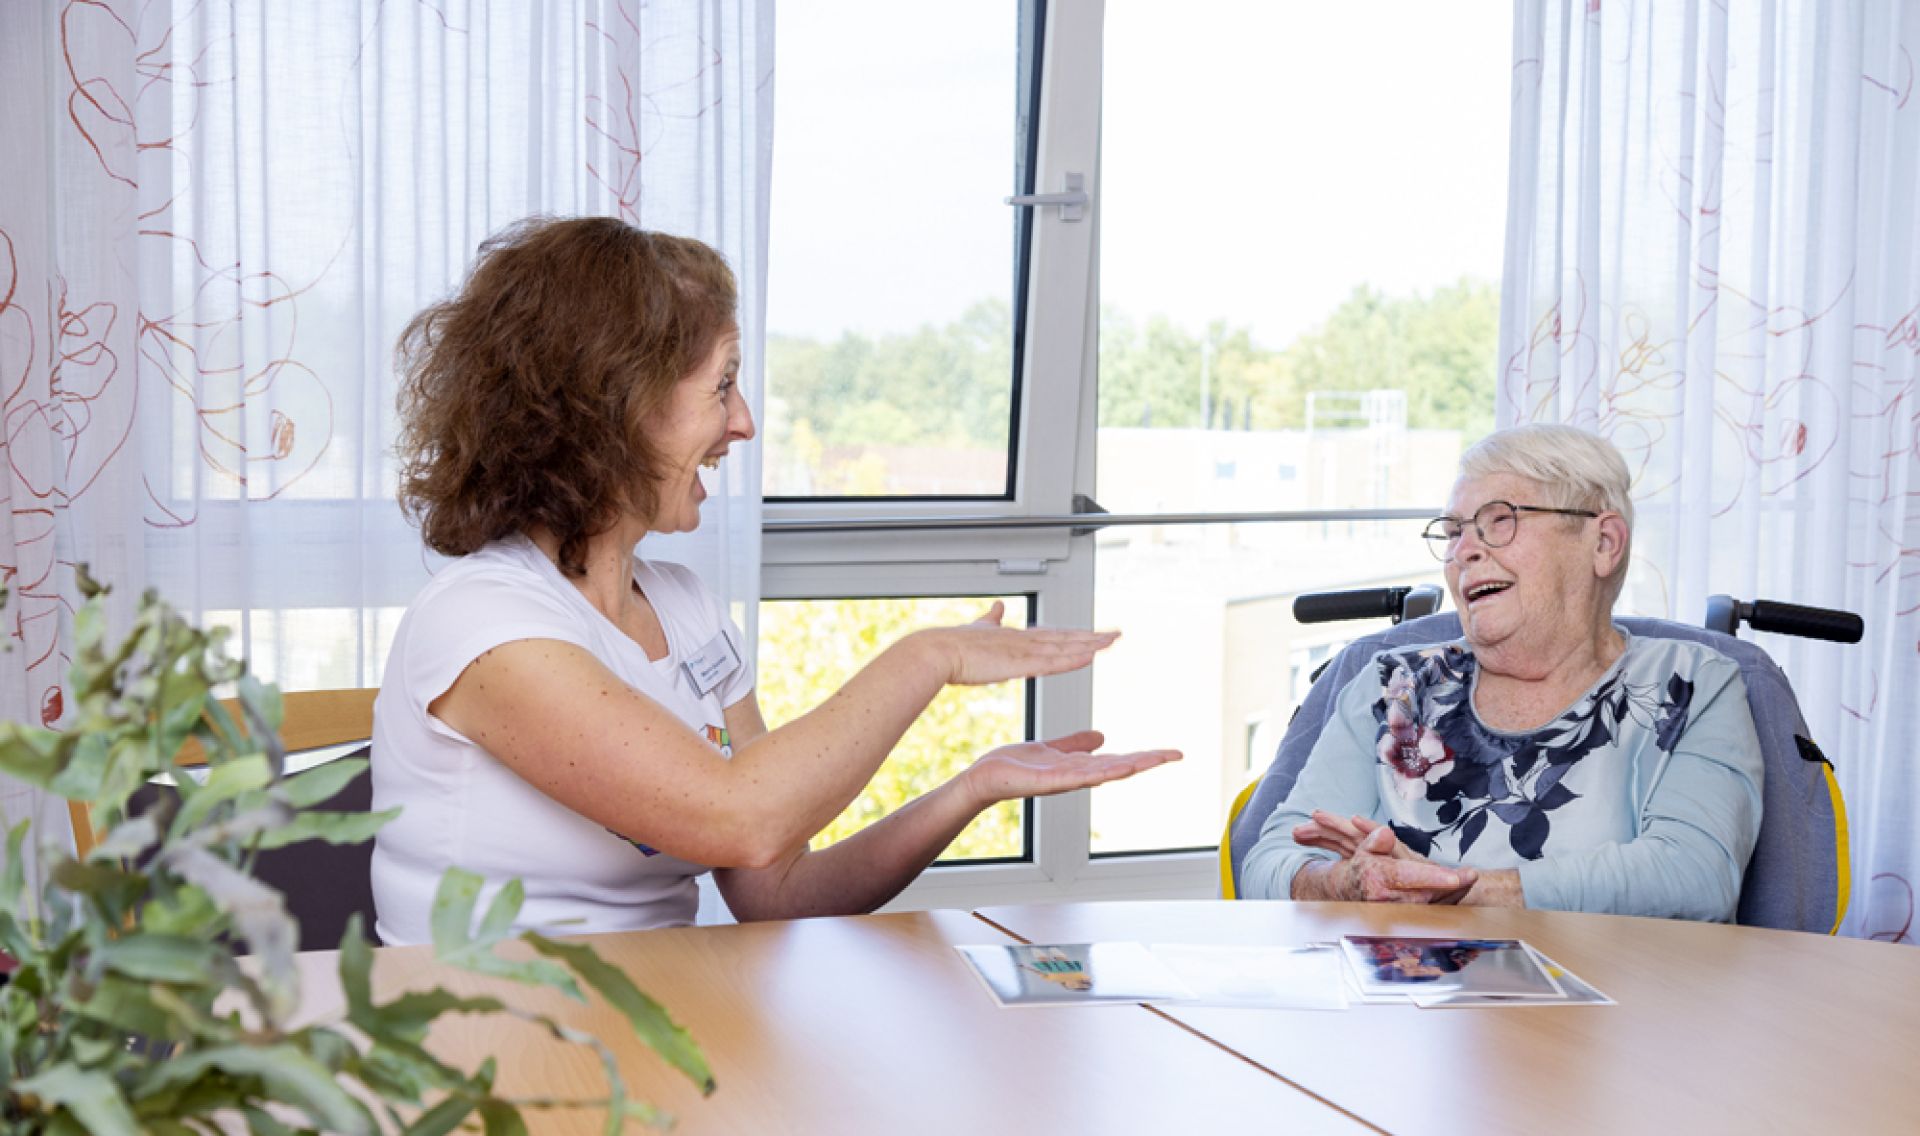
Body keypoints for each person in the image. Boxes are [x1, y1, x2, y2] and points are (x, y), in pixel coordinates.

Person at [370, 216, 1178, 945]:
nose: (744, 421)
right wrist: (927, 657)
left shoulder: (681, 607)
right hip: (487, 1054)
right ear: (615, 404)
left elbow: (778, 891)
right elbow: (740, 816)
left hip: (650, 1025)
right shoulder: (483, 623)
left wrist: (971, 789)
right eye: (721, 384)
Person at [1240, 424, 1762, 922]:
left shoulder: (1692, 685)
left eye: (1499, 520)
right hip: (1409, 1001)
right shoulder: (1393, 685)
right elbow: (1269, 862)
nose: (1464, 550)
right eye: (1452, 532)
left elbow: (1695, 876)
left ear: (1603, 543)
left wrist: (1452, 890)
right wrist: (1342, 883)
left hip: (1616, 1006)